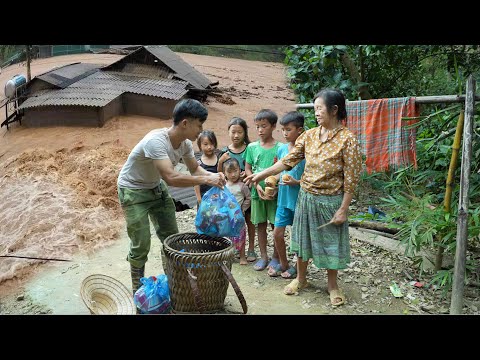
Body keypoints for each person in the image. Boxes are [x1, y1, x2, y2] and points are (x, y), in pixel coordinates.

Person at [244, 89, 362, 306]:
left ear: (334, 110)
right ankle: (301, 278)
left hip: (331, 200)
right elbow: (288, 161)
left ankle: (332, 285)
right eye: (315, 108)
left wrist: (343, 209)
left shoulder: (348, 139)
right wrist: (261, 174)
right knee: (301, 239)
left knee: (331, 243)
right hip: (306, 197)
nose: (316, 113)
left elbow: (352, 178)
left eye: (320, 108)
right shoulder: (309, 136)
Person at [117, 98, 226, 298]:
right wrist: (206, 180)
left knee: (171, 239)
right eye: (199, 125)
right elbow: (171, 177)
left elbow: (194, 169)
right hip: (132, 190)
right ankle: (138, 292)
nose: (200, 131)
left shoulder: (184, 144)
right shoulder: (155, 141)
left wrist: (214, 176)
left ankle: (175, 283)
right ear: (185, 123)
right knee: (141, 244)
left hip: (156, 188)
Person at [266, 111, 305, 279]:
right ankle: (283, 263)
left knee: (298, 236)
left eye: (288, 129)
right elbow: (278, 172)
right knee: (277, 234)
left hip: (299, 201)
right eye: (283, 130)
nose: (285, 133)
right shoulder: (282, 149)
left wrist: (296, 182)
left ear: (300, 130)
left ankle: (297, 266)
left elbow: (311, 178)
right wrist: (272, 181)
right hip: (282, 200)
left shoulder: (306, 152)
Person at [244, 109, 282, 271]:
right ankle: (264, 256)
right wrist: (257, 185)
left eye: (264, 126)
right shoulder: (252, 147)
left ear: (273, 126)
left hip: (274, 193)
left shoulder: (280, 148)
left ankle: (276, 256)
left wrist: (275, 187)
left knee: (275, 225)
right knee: (260, 224)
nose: (260, 130)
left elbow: (283, 170)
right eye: (257, 126)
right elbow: (248, 169)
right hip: (256, 192)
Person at [217, 117, 257, 262]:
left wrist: (245, 174)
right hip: (231, 195)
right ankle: (231, 249)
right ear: (228, 132)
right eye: (233, 132)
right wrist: (221, 161)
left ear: (244, 132)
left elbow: (252, 167)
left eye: (239, 132)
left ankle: (250, 249)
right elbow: (219, 173)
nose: (236, 135)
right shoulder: (224, 152)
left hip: (246, 191)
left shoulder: (250, 148)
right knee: (231, 224)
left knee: (249, 221)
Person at [223, 157, 251, 265]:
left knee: (241, 235)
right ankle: (228, 255)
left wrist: (243, 209)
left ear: (240, 170)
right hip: (226, 216)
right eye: (229, 172)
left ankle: (242, 256)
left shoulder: (242, 186)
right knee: (226, 235)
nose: (233, 174)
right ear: (225, 173)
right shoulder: (224, 186)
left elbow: (249, 198)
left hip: (238, 216)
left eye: (235, 171)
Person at [194, 130, 219, 206]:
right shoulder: (198, 163)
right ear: (200, 146)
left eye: (211, 144)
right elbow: (196, 182)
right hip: (204, 196)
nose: (209, 147)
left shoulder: (219, 159)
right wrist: (199, 198)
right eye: (205, 144)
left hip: (218, 196)